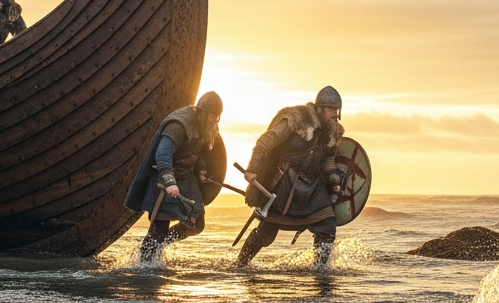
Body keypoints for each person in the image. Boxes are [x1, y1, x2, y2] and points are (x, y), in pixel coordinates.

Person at [236, 86, 346, 268]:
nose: (335, 115)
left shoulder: (333, 131)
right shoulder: (296, 119)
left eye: (337, 111)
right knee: (267, 232)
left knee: (327, 224)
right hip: (285, 186)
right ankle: (240, 265)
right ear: (320, 108)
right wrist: (252, 167)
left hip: (313, 188)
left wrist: (333, 179)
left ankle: (320, 270)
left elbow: (328, 161)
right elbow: (266, 141)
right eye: (331, 110)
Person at [125, 91, 224, 262]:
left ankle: (159, 246)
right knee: (159, 229)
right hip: (165, 183)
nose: (215, 120)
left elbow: (197, 151)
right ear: (202, 112)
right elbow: (163, 153)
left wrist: (201, 170)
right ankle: (143, 265)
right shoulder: (179, 124)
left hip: (187, 181)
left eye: (218, 116)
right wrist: (169, 182)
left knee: (197, 224)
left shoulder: (207, 126)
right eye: (212, 116)